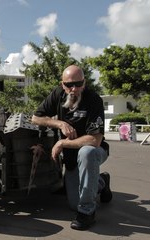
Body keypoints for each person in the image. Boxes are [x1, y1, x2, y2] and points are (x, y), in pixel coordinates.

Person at [31, 65, 112, 230]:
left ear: (84, 83)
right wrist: (60, 123)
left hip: (95, 151)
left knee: (86, 151)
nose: (73, 89)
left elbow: (95, 140)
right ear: (62, 85)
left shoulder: (93, 99)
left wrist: (62, 143)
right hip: (71, 158)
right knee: (73, 203)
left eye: (78, 84)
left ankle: (87, 212)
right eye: (69, 85)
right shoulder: (58, 94)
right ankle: (102, 181)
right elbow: (35, 118)